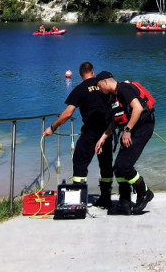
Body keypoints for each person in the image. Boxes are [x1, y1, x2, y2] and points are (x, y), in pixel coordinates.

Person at [43, 62, 115, 208]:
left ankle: (79, 199)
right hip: (107, 130)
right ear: (93, 71)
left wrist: (53, 127)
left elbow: (68, 113)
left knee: (80, 162)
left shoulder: (80, 89)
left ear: (81, 74)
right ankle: (106, 198)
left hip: (90, 131)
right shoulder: (103, 84)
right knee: (106, 164)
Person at [95, 72, 155, 215]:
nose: (99, 89)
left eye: (99, 86)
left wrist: (127, 130)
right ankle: (125, 203)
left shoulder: (123, 89)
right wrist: (102, 138)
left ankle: (144, 192)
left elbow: (138, 108)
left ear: (105, 82)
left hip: (143, 127)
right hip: (134, 129)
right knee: (118, 168)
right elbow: (115, 122)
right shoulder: (112, 97)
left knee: (125, 165)